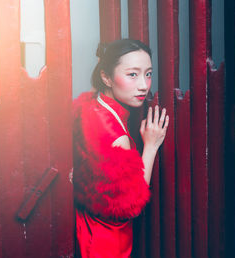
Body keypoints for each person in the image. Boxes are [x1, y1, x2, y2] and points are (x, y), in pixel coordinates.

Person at [72, 39, 169, 258]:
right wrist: (151, 146)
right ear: (106, 77)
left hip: (86, 229)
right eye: (132, 75)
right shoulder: (118, 137)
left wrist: (102, 66)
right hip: (107, 241)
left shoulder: (90, 106)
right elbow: (130, 206)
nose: (144, 85)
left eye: (148, 73)